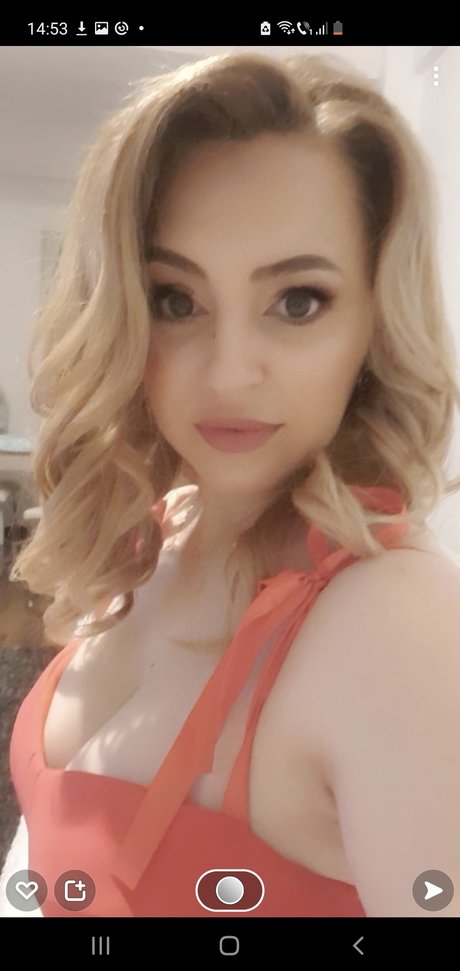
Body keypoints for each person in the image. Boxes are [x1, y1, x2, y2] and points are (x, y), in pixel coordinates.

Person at [2, 50, 460, 918]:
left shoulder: (397, 622)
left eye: (298, 301)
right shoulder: (160, 530)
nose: (229, 373)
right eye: (175, 300)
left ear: (375, 319)